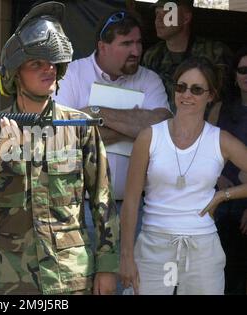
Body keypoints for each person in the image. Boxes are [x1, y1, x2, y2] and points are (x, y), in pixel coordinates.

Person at [0, 1, 119, 295]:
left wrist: (108, 266)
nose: (48, 69)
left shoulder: (80, 128)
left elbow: (103, 202)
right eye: (36, 63)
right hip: (11, 280)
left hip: (72, 277)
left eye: (52, 64)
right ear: (15, 73)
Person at [120, 56, 247, 295]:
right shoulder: (149, 136)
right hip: (154, 244)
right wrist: (126, 255)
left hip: (202, 247)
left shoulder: (220, 140)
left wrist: (224, 195)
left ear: (211, 96)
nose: (187, 95)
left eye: (197, 89)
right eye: (181, 87)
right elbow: (131, 201)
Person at [53, 10, 171, 252]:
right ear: (102, 46)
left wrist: (96, 114)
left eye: (138, 42)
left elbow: (164, 128)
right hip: (79, 207)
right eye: (126, 43)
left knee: (127, 284)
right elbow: (65, 135)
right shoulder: (72, 74)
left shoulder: (150, 79)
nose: (136, 51)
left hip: (134, 208)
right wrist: (136, 128)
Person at [142, 0, 232, 113]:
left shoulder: (214, 52)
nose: (158, 20)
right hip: (160, 125)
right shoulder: (152, 55)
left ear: (185, 18)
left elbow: (225, 101)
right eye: (157, 14)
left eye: (167, 13)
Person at [214, 46, 247, 295]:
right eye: (243, 70)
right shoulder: (220, 109)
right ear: (235, 76)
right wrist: (217, 175)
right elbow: (199, 150)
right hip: (219, 206)